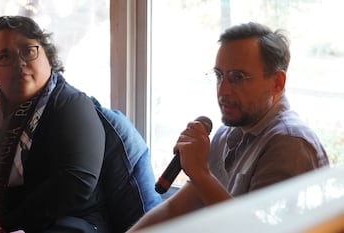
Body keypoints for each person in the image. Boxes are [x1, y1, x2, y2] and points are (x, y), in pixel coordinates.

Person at [126, 22, 330, 232]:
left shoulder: (289, 144)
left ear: (277, 82)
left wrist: (202, 174)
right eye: (219, 76)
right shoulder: (228, 132)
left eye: (237, 77)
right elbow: (175, 209)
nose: (223, 90)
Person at [0, 16, 108, 233]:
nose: (20, 63)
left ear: (48, 56)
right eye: (5, 56)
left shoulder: (71, 105)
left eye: (28, 50)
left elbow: (77, 181)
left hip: (63, 222)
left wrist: (4, 225)